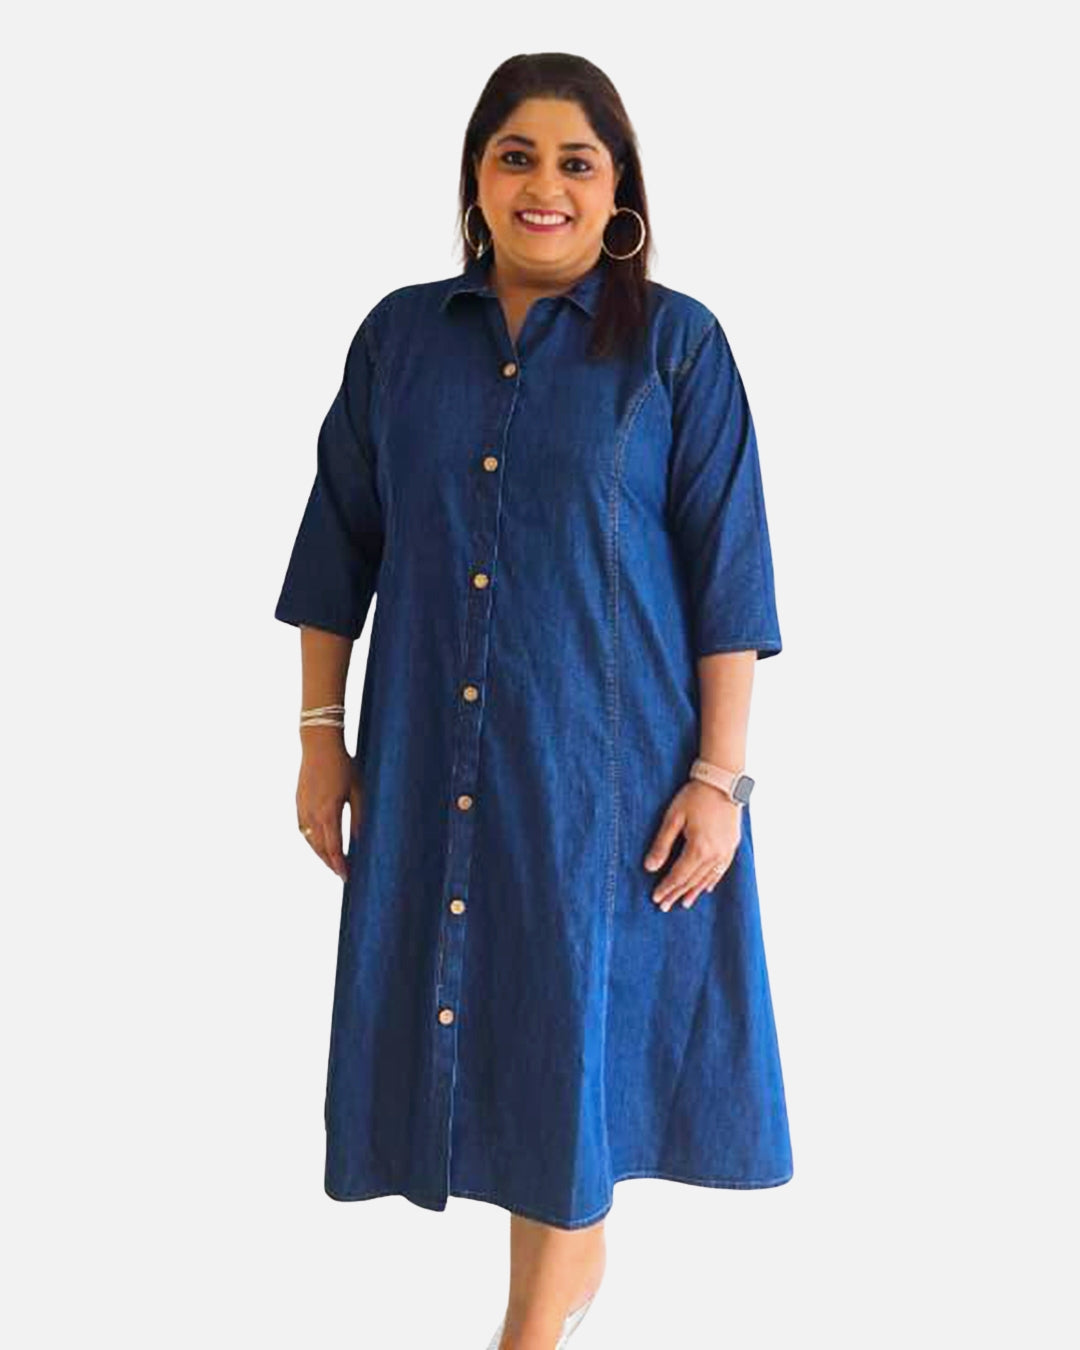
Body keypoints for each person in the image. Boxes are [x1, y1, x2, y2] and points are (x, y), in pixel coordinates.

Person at [274, 52, 793, 1350]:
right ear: (477, 179)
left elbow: (731, 578)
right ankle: (563, 1289)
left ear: (618, 193)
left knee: (569, 1037)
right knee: (504, 1033)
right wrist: (320, 739)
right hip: (432, 765)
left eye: (575, 160)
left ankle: (529, 1331)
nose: (543, 184)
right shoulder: (400, 340)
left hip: (606, 780)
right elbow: (338, 547)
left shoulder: (676, 348)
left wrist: (719, 778)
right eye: (516, 156)